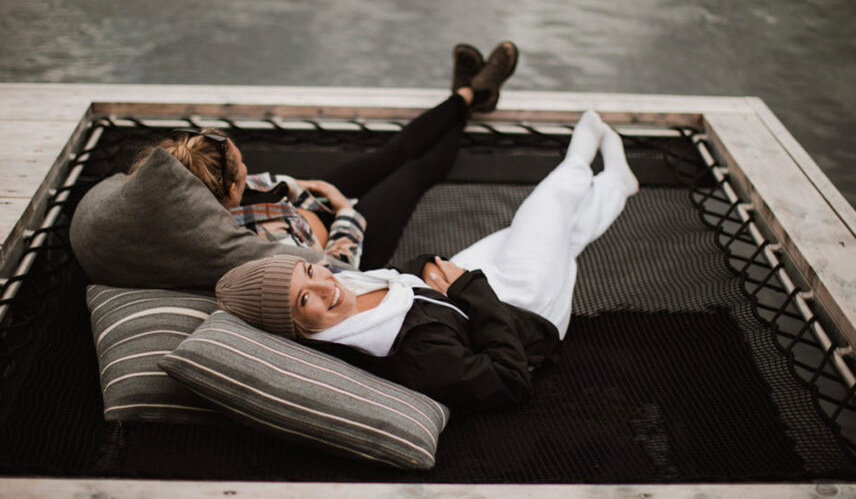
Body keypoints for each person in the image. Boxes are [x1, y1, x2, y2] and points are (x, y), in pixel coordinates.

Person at [215, 111, 639, 411]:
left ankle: (617, 184)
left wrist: (427, 268)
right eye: (305, 299)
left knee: (556, 237)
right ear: (295, 328)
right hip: (519, 312)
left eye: (309, 270)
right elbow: (511, 383)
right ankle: (580, 161)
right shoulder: (416, 356)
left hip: (460, 293)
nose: (326, 285)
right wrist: (465, 287)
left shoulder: (342, 296)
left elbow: (396, 276)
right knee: (547, 207)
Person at [130, 42, 518, 270]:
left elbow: (266, 186)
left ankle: (465, 95)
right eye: (243, 169)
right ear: (229, 191)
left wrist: (301, 193)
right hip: (353, 241)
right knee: (412, 173)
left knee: (391, 152)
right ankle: (473, 96)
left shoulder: (195, 191)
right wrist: (345, 212)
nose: (249, 173)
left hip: (308, 204)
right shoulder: (243, 252)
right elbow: (334, 274)